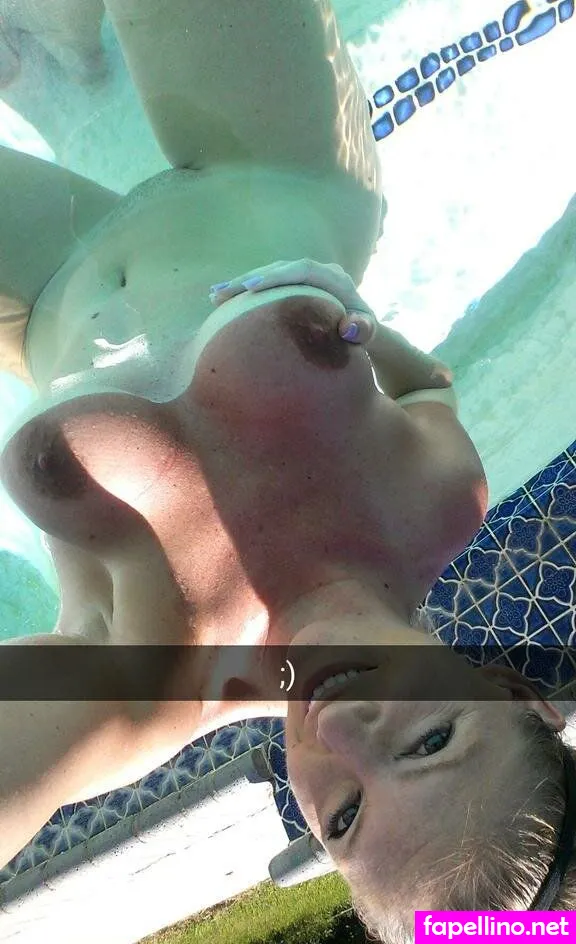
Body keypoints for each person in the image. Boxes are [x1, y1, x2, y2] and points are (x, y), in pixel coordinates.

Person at [0, 0, 572, 934]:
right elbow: (429, 386)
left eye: (342, 818)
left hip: (42, 290)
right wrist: (353, 322)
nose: (339, 730)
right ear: (511, 695)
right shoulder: (441, 499)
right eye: (429, 741)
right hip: (273, 166)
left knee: (41, 55)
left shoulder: (157, 681)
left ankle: (57, 61)